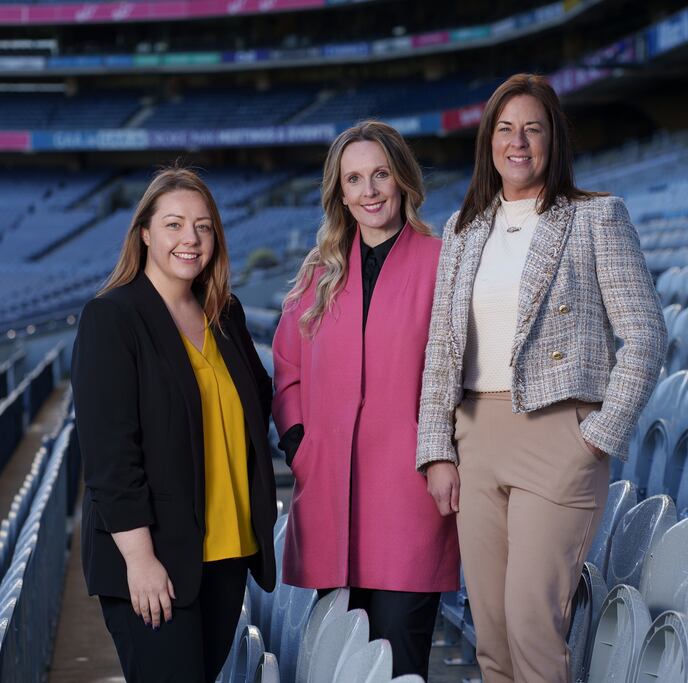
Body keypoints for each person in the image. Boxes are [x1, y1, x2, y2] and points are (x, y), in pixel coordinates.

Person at [417, 74, 668, 683]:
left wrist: (598, 434)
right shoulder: (462, 229)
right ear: (489, 143)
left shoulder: (595, 217)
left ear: (554, 139)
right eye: (505, 129)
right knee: (492, 635)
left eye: (533, 128)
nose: (519, 142)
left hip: (558, 438)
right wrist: (437, 450)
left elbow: (646, 334)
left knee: (533, 623)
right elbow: (441, 351)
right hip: (475, 439)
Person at [71, 167, 277, 683]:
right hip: (155, 561)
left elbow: (258, 405)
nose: (191, 239)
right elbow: (109, 455)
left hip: (226, 555)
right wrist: (140, 559)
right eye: (174, 224)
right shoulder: (112, 317)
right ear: (144, 233)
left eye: (203, 227)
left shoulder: (223, 313)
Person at [272, 120, 459, 679]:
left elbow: (459, 369)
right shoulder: (318, 276)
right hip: (330, 491)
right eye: (354, 179)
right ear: (340, 192)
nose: (370, 190)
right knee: (339, 661)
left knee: (398, 657)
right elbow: (288, 371)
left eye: (380, 174)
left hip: (408, 495)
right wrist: (300, 444)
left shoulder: (442, 262)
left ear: (402, 179)